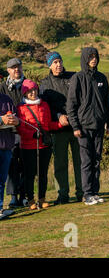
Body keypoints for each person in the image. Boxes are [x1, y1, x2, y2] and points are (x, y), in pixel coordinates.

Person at [66, 48, 109, 206]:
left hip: (99, 126)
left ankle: (95, 192)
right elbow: (71, 105)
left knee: (97, 160)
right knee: (86, 161)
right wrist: (75, 126)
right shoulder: (77, 78)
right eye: (91, 57)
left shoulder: (101, 78)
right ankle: (87, 194)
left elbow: (107, 103)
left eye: (95, 57)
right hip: (83, 127)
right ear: (85, 59)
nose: (94, 59)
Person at [40, 52, 83, 204]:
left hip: (77, 127)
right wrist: (58, 116)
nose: (58, 65)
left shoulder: (74, 77)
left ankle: (82, 192)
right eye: (55, 62)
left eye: (60, 61)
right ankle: (63, 194)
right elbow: (45, 107)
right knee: (60, 163)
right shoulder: (45, 84)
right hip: (58, 129)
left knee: (80, 161)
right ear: (49, 65)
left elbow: (81, 99)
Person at [16, 79, 65, 210]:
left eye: (35, 90)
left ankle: (42, 198)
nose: (33, 92)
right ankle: (31, 199)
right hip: (28, 147)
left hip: (44, 145)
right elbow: (20, 127)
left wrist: (61, 124)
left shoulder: (44, 105)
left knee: (43, 173)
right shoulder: (21, 108)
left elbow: (48, 125)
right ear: (25, 93)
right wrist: (31, 135)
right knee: (30, 174)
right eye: (30, 91)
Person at [0, 58, 26, 208]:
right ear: (8, 70)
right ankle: (13, 196)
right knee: (11, 166)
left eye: (19, 67)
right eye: (13, 67)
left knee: (24, 164)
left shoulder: (28, 84)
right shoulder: (3, 87)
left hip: (24, 128)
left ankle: (24, 195)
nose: (17, 70)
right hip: (8, 132)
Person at [0, 94, 19, 220]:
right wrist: (1, 120)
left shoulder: (7, 99)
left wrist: (16, 121)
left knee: (1, 181)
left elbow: (17, 118)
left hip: (6, 145)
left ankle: (0, 207)